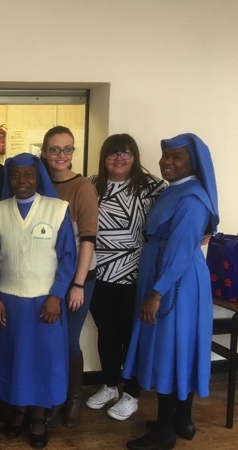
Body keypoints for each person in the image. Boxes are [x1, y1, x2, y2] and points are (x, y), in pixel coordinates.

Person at [122, 133, 219, 450]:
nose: (167, 162)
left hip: (175, 280)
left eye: (177, 156)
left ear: (194, 162)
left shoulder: (191, 199)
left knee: (169, 347)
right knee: (181, 345)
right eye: (166, 155)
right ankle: (182, 420)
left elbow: (179, 253)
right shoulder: (177, 190)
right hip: (170, 272)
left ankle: (165, 431)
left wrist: (157, 293)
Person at [0, 153, 77, 449]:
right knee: (14, 359)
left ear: (39, 177)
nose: (22, 181)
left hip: (45, 302)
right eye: (15, 175)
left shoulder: (57, 209)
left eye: (28, 175)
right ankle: (18, 410)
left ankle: (38, 415)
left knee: (43, 360)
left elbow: (68, 257)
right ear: (8, 178)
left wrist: (56, 296)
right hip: (9, 302)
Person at [86, 134, 166, 421]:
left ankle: (132, 393)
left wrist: (207, 227)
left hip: (136, 273)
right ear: (104, 157)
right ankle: (109, 385)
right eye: (113, 153)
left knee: (132, 334)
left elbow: (179, 212)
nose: (119, 158)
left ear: (134, 156)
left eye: (126, 153)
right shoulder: (91, 184)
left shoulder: (153, 186)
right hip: (99, 271)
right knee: (106, 332)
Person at [40, 126, 99, 428]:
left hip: (77, 278)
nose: (61, 155)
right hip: (45, 278)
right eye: (54, 149)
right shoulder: (38, 183)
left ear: (73, 152)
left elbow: (88, 238)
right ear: (44, 152)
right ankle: (54, 397)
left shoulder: (82, 187)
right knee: (49, 341)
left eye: (67, 149)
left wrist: (77, 283)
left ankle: (73, 398)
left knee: (69, 341)